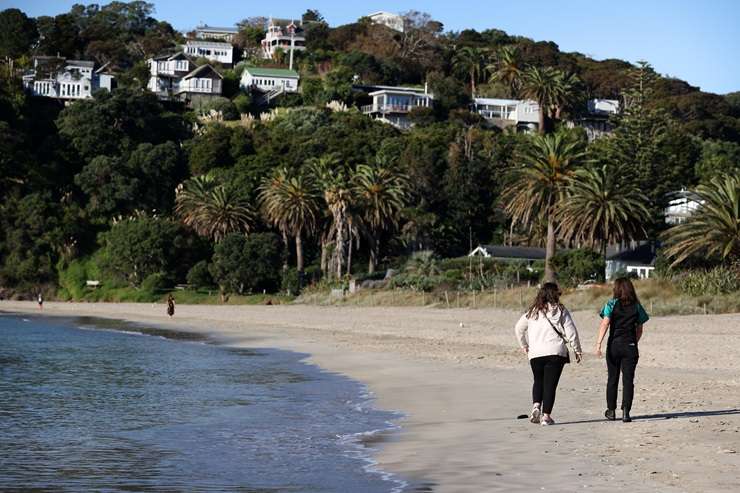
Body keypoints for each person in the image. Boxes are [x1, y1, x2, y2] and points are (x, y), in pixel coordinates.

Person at [515, 282, 582, 426]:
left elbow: (518, 328)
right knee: (550, 385)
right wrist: (577, 350)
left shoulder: (533, 311)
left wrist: (524, 345)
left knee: (538, 380)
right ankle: (546, 417)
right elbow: (571, 332)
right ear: (555, 294)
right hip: (555, 352)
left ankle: (536, 406)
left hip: (535, 353)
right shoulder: (560, 310)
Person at [595, 277, 650, 423]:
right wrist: (633, 343)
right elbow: (640, 329)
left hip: (614, 346)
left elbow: (605, 323)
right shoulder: (637, 306)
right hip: (630, 347)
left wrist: (598, 343)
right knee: (628, 380)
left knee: (612, 378)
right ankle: (626, 412)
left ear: (616, 289)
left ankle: (611, 411)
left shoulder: (611, 304)